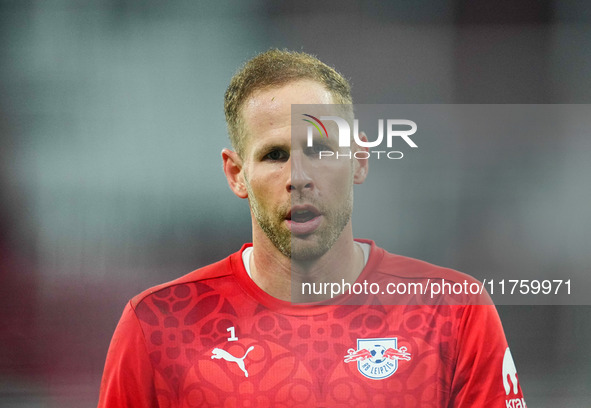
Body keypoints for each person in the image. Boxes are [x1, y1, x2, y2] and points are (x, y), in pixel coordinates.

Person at [98, 49, 526, 407]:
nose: (298, 176)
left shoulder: (454, 313)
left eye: (320, 148)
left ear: (359, 159)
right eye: (274, 155)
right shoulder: (156, 325)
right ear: (236, 174)